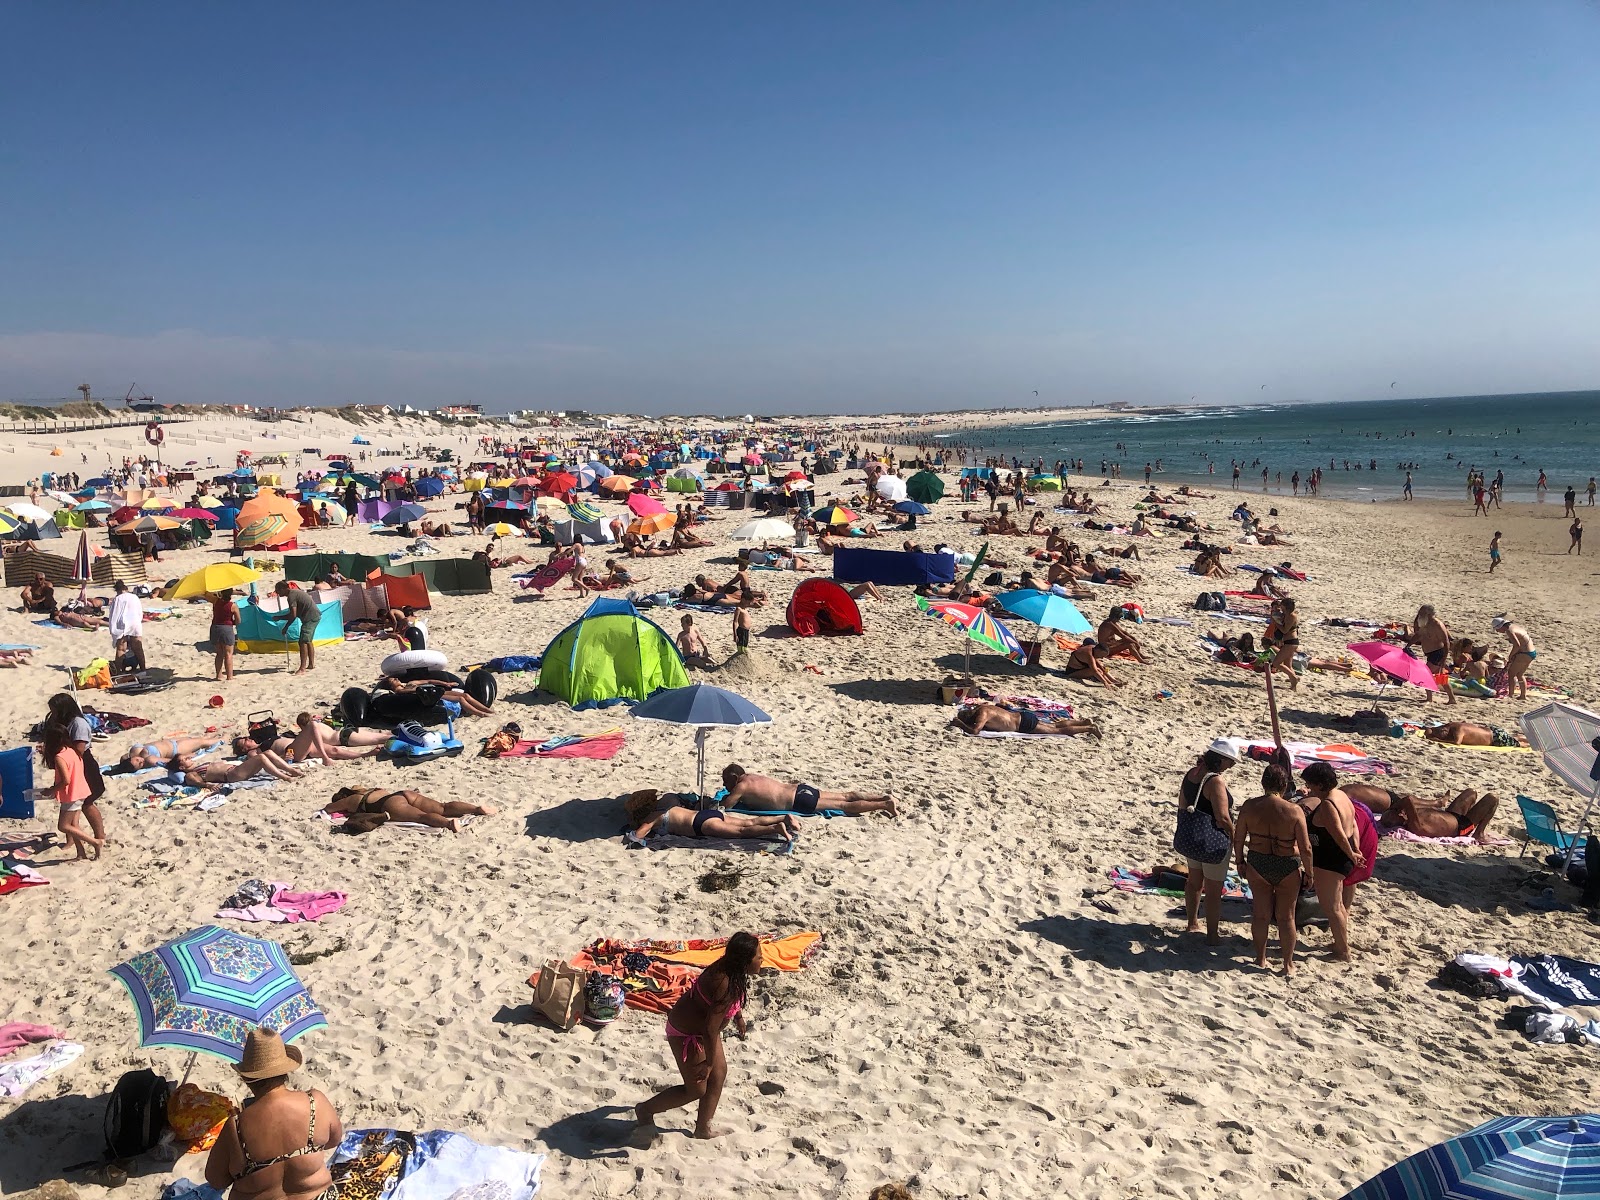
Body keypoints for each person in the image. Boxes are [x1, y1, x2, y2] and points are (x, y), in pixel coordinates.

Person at [636, 931, 760, 1140]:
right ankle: (645, 1110)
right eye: (759, 956)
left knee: (719, 1075)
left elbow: (729, 1004)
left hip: (704, 1031)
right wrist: (708, 1063)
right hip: (686, 1033)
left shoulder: (733, 972)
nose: (762, 960)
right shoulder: (723, 984)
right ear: (745, 961)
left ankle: (703, 1129)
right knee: (696, 1090)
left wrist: (738, 1016)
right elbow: (709, 1030)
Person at [204, 1027, 342, 1200]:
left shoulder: (236, 1126)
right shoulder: (315, 1102)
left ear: (247, 1079)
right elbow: (334, 1140)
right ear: (285, 1071)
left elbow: (216, 1180)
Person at [1232, 763, 1313, 974]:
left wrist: (1240, 861)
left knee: (1261, 915)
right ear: (1285, 785)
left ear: (1262, 783)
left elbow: (1239, 837)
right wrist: (1310, 873)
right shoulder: (1294, 811)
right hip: (1287, 865)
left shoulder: (1250, 806)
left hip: (1258, 862)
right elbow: (1306, 848)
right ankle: (1288, 964)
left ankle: (1260, 958)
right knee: (1287, 917)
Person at [1297, 763, 1364, 962]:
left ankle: (1343, 952)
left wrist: (1351, 853)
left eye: (1309, 783)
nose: (1307, 787)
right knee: (1338, 906)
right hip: (1340, 857)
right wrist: (1356, 849)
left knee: (1332, 908)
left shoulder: (1327, 805)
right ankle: (1339, 943)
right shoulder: (1342, 796)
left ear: (1319, 784)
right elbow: (1353, 824)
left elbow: (1338, 834)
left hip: (1331, 860)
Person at [1178, 739, 1238, 944]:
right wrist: (1234, 835)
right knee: (1213, 890)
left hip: (1192, 836)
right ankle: (1212, 935)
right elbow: (1222, 817)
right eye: (1231, 762)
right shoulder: (1215, 781)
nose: (1232, 766)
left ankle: (1192, 923)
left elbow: (1182, 804)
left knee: (1194, 882)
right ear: (1222, 760)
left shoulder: (1192, 773)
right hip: (1211, 840)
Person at [45, 694, 107, 849]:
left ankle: (99, 837)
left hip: (83, 764)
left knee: (86, 803)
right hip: (73, 763)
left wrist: (59, 750)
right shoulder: (64, 722)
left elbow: (79, 750)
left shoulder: (78, 724)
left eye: (55, 711)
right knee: (72, 806)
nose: (53, 714)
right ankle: (72, 841)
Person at [721, 764, 897, 815]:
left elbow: (726, 806)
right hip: (801, 789)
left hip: (798, 802)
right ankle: (881, 796)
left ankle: (883, 805)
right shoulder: (752, 777)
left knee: (844, 806)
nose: (724, 785)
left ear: (735, 778)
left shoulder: (741, 786)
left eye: (726, 781)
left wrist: (717, 801)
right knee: (846, 795)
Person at [623, 790, 796, 843]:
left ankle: (775, 828)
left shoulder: (652, 818)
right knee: (748, 821)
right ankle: (782, 818)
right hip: (707, 814)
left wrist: (631, 834)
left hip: (701, 824)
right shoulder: (667, 803)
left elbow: (637, 836)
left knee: (742, 831)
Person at [1353, 785, 1502, 842]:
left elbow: (1410, 803)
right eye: (1397, 813)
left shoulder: (1409, 816)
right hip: (1462, 827)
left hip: (1451, 815)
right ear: (1400, 820)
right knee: (1492, 799)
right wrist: (1396, 807)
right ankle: (1479, 833)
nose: (1399, 812)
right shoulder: (1415, 825)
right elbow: (1409, 800)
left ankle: (1442, 803)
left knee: (1471, 792)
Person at [325, 786, 497, 832]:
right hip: (403, 794)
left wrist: (341, 805)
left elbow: (330, 808)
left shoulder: (352, 800)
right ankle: (476, 808)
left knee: (422, 817)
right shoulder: (369, 789)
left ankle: (448, 824)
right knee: (442, 807)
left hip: (390, 805)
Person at [168, 747, 304, 788]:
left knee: (267, 753)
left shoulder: (197, 767)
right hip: (231, 775)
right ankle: (285, 777)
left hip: (236, 770)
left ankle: (291, 770)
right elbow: (195, 781)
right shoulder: (190, 774)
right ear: (181, 767)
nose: (189, 758)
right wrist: (208, 786)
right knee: (262, 758)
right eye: (185, 760)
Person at [954, 703, 1100, 739]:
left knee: (1057, 731)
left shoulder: (982, 716)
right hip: (1023, 715)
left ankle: (1089, 728)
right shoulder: (983, 707)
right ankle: (1082, 722)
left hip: (1022, 725)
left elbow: (975, 731)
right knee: (1053, 725)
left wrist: (959, 724)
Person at [1403, 604, 1454, 706]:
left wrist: (1443, 661)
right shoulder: (1424, 623)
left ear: (1429, 614)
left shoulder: (1437, 625)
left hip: (1438, 653)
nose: (1419, 615)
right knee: (1441, 677)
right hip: (1430, 654)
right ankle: (1452, 699)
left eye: (1422, 613)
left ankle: (1429, 699)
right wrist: (1408, 645)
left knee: (1426, 674)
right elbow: (1418, 635)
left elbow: (1446, 642)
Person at [269, 581, 321, 676]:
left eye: (278, 591)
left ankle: (302, 668)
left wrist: (280, 618)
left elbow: (293, 615)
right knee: (308, 640)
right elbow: (294, 615)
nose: (277, 593)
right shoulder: (294, 593)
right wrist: (286, 626)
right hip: (314, 616)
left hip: (310, 618)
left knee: (302, 642)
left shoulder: (291, 596)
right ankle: (311, 664)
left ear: (283, 589)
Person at [1491, 614, 1536, 700]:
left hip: (1524, 653)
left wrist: (1511, 655)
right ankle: (1523, 695)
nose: (1497, 631)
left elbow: (1517, 645)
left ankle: (1510, 695)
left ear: (1500, 627)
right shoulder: (1514, 626)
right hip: (1531, 652)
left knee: (1511, 674)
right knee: (1520, 674)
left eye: (1497, 629)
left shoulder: (1509, 630)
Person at [107, 580, 145, 671]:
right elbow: (140, 612)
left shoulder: (117, 599)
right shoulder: (134, 597)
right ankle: (143, 669)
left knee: (121, 649)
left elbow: (113, 614)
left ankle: (118, 672)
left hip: (121, 623)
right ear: (126, 589)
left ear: (117, 590)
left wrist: (113, 629)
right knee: (138, 648)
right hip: (134, 621)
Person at [1263, 598, 1300, 691]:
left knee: (1276, 663)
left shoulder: (1292, 616)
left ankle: (1294, 678)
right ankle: (1293, 686)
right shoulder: (1286, 615)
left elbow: (1285, 630)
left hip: (1291, 642)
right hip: (1288, 642)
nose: (1281, 607)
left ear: (1286, 607)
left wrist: (1276, 623)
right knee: (1288, 664)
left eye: (1282, 606)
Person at [1423, 720, 1528, 749]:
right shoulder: (1452, 724)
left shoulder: (1458, 729)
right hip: (1492, 731)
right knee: (1512, 738)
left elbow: (1457, 743)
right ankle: (1523, 737)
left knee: (1520, 745)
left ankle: (1534, 743)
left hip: (1495, 738)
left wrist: (1438, 740)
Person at [211, 588, 241, 681]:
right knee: (228, 654)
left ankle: (219, 675)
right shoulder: (233, 606)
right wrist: (233, 622)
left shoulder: (215, 602)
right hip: (226, 628)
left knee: (219, 653)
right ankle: (229, 676)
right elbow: (238, 620)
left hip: (215, 627)